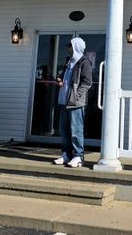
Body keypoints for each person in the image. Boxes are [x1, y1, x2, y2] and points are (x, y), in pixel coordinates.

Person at [53, 37, 93, 168]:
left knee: (76, 131)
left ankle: (78, 156)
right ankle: (66, 155)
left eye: (69, 46)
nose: (68, 48)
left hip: (76, 103)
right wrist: (60, 80)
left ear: (75, 46)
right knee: (64, 130)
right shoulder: (69, 62)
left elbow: (87, 82)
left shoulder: (84, 62)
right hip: (64, 101)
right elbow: (65, 77)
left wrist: (76, 96)